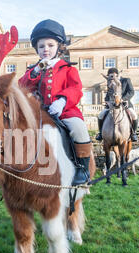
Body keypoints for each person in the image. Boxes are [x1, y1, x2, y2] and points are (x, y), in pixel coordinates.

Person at [19, 19, 92, 185]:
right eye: (41, 46)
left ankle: (82, 169)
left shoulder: (68, 68)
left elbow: (76, 89)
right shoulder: (34, 70)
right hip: (41, 112)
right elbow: (22, 85)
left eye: (50, 45)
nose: (46, 49)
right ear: (37, 49)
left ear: (58, 47)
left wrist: (62, 101)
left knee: (78, 129)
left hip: (65, 111)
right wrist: (37, 69)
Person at [95, 68, 138, 142]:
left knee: (134, 115)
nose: (111, 77)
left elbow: (131, 92)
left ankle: (134, 133)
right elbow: (108, 95)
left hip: (125, 104)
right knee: (101, 115)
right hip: (112, 105)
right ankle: (100, 133)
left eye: (113, 75)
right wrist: (107, 101)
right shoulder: (110, 82)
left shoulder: (126, 80)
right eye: (110, 76)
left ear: (117, 75)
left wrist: (123, 99)